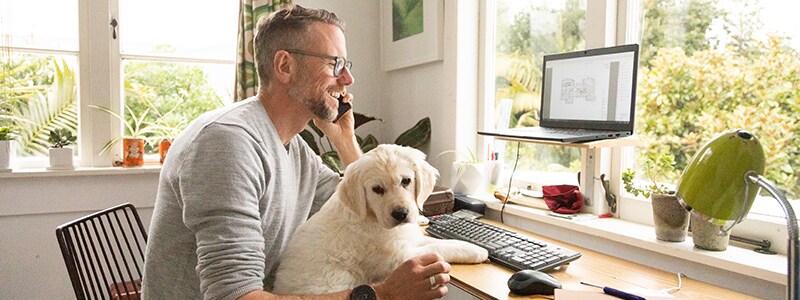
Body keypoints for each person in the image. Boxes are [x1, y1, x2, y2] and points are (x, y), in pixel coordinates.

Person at [141, 4, 452, 300]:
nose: (347, 79)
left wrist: (344, 140)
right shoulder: (227, 144)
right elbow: (234, 296)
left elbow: (360, 205)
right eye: (335, 64)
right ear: (285, 66)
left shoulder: (294, 149)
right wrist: (381, 295)